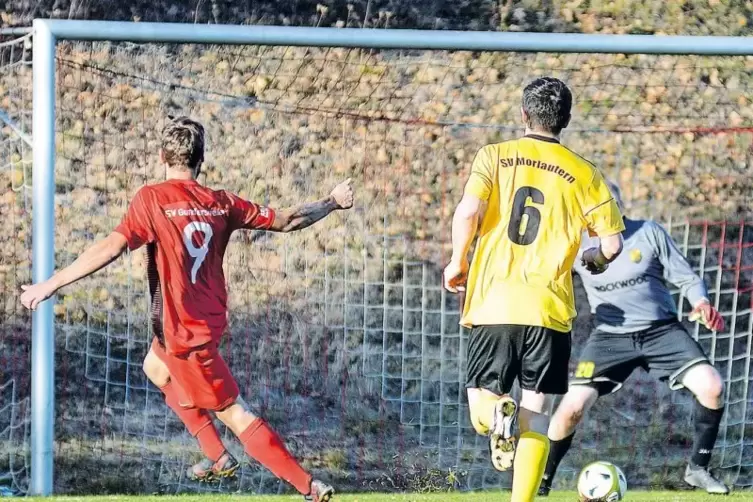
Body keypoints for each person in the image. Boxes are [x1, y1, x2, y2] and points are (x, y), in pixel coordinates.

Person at [20, 116, 353, 502]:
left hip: (184, 334)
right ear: (201, 160)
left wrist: (50, 284)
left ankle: (308, 486)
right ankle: (217, 456)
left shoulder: (152, 199)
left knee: (235, 413)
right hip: (199, 323)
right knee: (154, 366)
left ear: (163, 156)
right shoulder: (222, 202)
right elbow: (290, 219)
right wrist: (332, 201)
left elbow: (110, 249)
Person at [443, 77, 625, 502]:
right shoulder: (585, 173)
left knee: (481, 414)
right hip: (549, 311)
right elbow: (612, 244)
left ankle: (496, 415)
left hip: (494, 303)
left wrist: (458, 260)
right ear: (566, 120)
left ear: (523, 114)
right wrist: (594, 261)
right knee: (537, 419)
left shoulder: (495, 156)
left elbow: (469, 210)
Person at [539, 181, 729, 496]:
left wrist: (701, 302)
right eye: (595, 207)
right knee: (571, 407)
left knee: (713, 387)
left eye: (609, 203)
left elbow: (686, 277)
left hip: (662, 331)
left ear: (620, 205)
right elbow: (545, 280)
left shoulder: (649, 233)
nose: (603, 211)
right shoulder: (575, 247)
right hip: (610, 337)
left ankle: (698, 468)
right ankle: (542, 482)